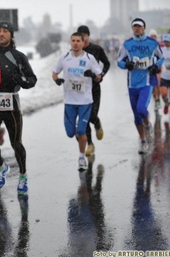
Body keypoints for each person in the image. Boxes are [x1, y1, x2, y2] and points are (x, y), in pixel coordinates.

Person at [0, 20, 37, 194]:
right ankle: (1, 168)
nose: (1, 34)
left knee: (16, 144)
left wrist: (20, 81)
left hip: (12, 105)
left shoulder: (18, 57)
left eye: (5, 31)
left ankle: (23, 175)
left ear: (11, 35)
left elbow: (32, 80)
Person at [52, 32, 102, 171]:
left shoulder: (89, 58)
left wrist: (93, 75)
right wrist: (57, 80)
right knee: (70, 133)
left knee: (81, 130)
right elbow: (54, 73)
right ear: (70, 42)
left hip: (85, 101)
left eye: (78, 41)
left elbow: (99, 76)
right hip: (69, 101)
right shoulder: (64, 57)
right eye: (73, 40)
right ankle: (82, 140)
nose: (75, 43)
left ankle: (81, 157)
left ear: (83, 42)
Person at [117, 18, 164, 154]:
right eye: (134, 26)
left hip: (147, 82)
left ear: (144, 28)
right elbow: (119, 61)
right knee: (136, 116)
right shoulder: (127, 44)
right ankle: (143, 141)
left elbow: (161, 58)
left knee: (141, 109)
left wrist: (156, 66)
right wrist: (126, 65)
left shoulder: (152, 43)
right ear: (132, 28)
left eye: (139, 26)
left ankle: (148, 125)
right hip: (132, 84)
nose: (137, 28)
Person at [77, 25, 110, 156]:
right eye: (80, 36)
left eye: (85, 35)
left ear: (88, 37)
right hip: (80, 90)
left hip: (94, 88)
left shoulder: (96, 49)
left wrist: (101, 75)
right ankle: (90, 144)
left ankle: (96, 122)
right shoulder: (74, 52)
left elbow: (107, 63)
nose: (82, 38)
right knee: (83, 119)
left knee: (91, 116)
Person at [159, 33, 170, 119]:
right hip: (164, 76)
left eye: (168, 41)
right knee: (164, 94)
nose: (166, 43)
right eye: (165, 41)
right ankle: (166, 103)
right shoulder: (161, 50)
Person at [148, 29, 162, 111]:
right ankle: (156, 100)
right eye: (151, 36)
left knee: (158, 85)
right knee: (153, 87)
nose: (153, 38)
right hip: (150, 68)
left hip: (158, 68)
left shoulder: (159, 45)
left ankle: (158, 99)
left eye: (154, 36)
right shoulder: (147, 46)